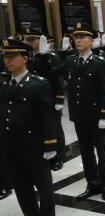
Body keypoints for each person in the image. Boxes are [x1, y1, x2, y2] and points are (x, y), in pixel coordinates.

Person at [0, 39, 57, 216]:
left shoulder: (38, 84)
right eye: (5, 56)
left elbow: (47, 116)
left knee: (43, 187)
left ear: (25, 58)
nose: (8, 60)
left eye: (13, 56)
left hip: (33, 145)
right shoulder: (4, 83)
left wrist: (50, 143)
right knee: (22, 188)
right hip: (10, 146)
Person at [63, 23, 105, 201]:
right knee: (85, 152)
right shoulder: (71, 61)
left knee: (102, 152)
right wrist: (48, 56)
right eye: (76, 37)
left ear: (92, 42)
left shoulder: (100, 63)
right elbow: (55, 74)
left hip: (97, 116)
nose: (78, 40)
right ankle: (92, 184)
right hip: (79, 115)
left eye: (83, 37)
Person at [24, 28, 66, 171]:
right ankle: (45, 154)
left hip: (50, 99)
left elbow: (57, 78)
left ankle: (59, 157)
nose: (29, 42)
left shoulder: (50, 56)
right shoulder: (27, 57)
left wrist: (60, 98)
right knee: (40, 128)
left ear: (39, 40)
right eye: (27, 39)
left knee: (55, 128)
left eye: (32, 39)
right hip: (34, 100)